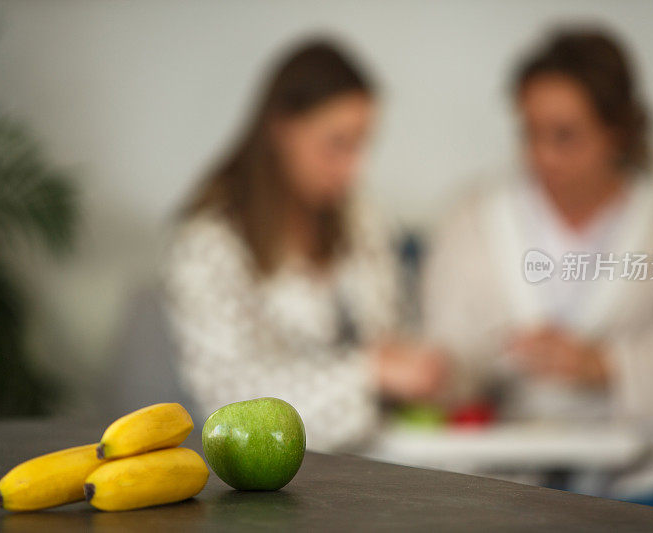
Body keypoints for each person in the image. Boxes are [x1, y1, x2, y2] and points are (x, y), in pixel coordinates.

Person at [423, 28, 653, 500]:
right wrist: (460, 367)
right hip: (507, 472)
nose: (543, 156)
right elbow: (448, 350)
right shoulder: (471, 222)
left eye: (565, 136)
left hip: (648, 478)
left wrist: (606, 364)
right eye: (530, 133)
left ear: (617, 133)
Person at [164, 40, 445, 452]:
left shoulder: (363, 219)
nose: (354, 167)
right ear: (281, 129)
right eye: (337, 143)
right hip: (268, 473)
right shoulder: (205, 245)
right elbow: (231, 401)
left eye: (363, 144)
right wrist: (369, 372)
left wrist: (422, 365)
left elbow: (391, 334)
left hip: (386, 462)